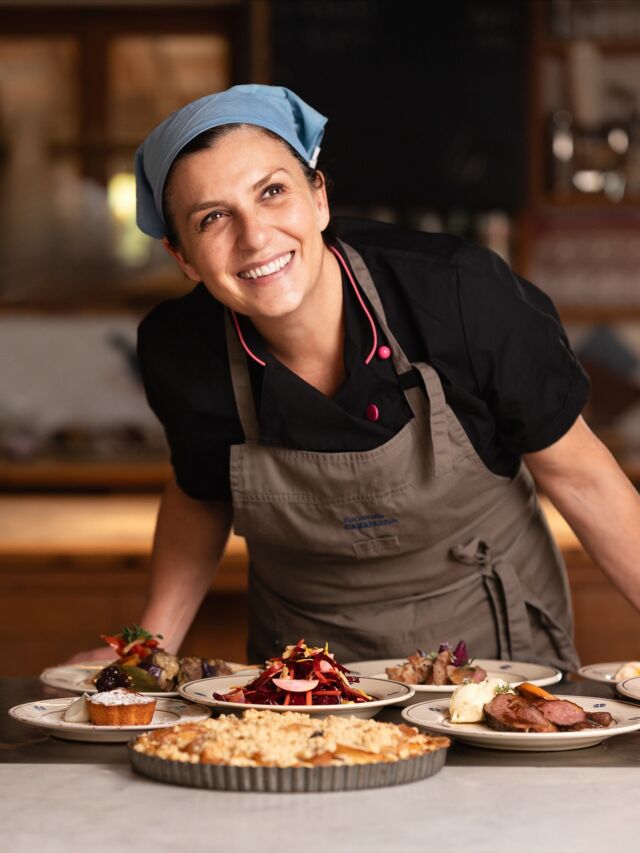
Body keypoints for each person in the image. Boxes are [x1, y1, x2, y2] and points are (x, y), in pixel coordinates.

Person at [71, 84, 640, 669]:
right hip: (302, 679)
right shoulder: (181, 349)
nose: (255, 236)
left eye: (272, 192)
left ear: (319, 198)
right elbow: (200, 492)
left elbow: (584, 481)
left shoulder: (459, 293)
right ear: (183, 257)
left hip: (494, 654)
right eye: (213, 217)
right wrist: (148, 648)